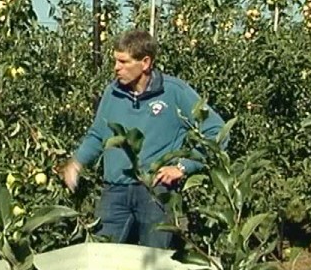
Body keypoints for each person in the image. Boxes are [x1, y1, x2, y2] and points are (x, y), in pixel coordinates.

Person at [61, 29, 226, 249]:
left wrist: (183, 166)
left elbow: (216, 130)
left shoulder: (174, 92)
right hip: (115, 191)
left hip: (155, 192)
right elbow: (98, 134)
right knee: (103, 255)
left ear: (145, 63)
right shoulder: (113, 93)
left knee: (153, 261)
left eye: (123, 61)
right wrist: (77, 162)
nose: (116, 67)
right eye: (115, 61)